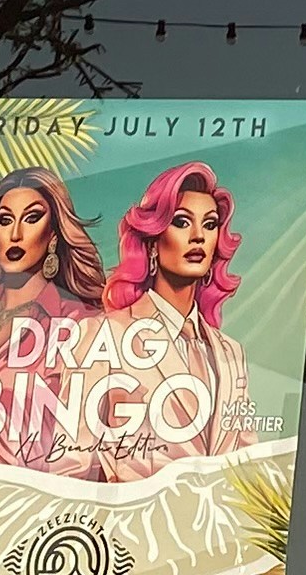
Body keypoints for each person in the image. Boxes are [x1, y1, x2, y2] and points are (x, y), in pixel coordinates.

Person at [0, 167, 113, 472]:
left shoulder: (81, 325)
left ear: (53, 234)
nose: (15, 234)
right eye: (5, 220)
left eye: (31, 218)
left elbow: (85, 454)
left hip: (29, 508)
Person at [91, 162, 258, 481]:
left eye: (210, 225)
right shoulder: (104, 334)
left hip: (218, 525)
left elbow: (247, 461)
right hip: (130, 524)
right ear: (153, 240)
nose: (198, 237)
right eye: (181, 222)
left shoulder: (231, 353)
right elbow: (73, 461)